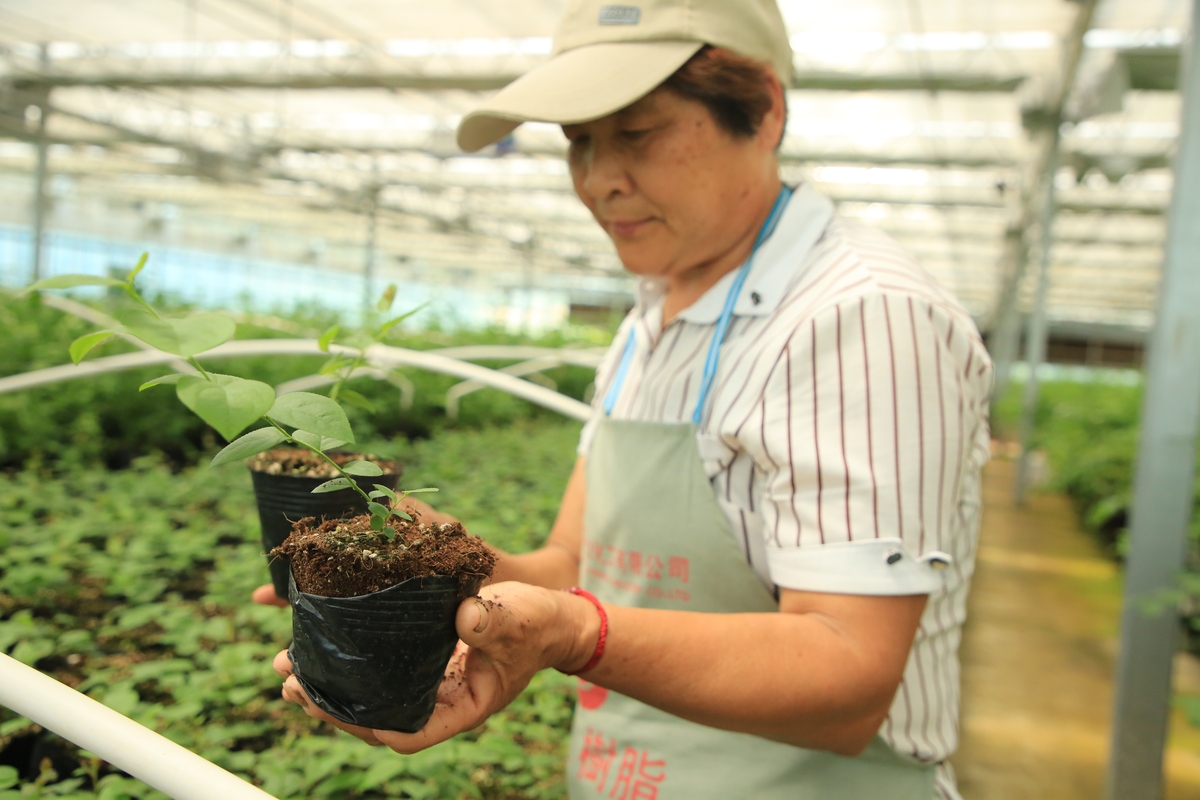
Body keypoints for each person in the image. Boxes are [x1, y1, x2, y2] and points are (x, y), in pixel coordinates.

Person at [266, 1, 994, 797]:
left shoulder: (862, 317)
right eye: (578, 142)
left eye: (637, 133)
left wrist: (574, 634)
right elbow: (580, 563)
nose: (599, 180)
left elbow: (847, 677)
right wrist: (449, 565)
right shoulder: (653, 313)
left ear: (765, 110)